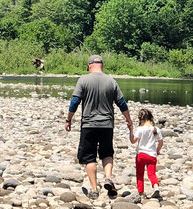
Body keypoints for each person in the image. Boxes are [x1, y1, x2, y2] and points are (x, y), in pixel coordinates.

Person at [64, 54, 134, 198]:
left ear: (89, 66)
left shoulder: (83, 80)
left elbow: (75, 102)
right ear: (102, 65)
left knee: (89, 157)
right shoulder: (111, 81)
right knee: (107, 153)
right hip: (107, 124)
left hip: (89, 124)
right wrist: (129, 121)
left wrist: (68, 119)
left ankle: (95, 189)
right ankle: (108, 177)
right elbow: (122, 103)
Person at [131, 108, 163, 199]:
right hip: (152, 155)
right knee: (151, 173)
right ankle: (156, 187)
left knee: (140, 174)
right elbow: (161, 142)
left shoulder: (140, 129)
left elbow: (133, 141)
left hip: (141, 155)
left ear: (141, 119)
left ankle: (141, 193)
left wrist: (131, 131)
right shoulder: (156, 129)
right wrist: (158, 150)